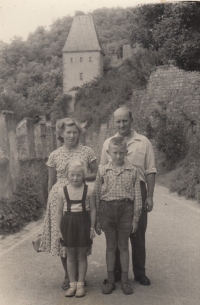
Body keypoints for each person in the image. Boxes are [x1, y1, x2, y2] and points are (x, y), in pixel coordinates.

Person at [100, 106, 156, 286]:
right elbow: (102, 172)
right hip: (115, 193)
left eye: (125, 120)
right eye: (118, 121)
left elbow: (150, 170)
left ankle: (140, 273)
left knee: (138, 233)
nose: (121, 124)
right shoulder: (108, 143)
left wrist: (150, 196)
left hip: (138, 189)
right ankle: (116, 274)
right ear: (113, 122)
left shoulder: (143, 141)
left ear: (131, 120)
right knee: (116, 235)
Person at [39, 118, 97, 290]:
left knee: (80, 237)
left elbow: (96, 172)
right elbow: (51, 182)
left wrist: (80, 178)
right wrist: (49, 205)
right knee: (64, 238)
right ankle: (68, 275)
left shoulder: (87, 152)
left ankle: (80, 277)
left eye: (75, 132)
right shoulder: (55, 155)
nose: (72, 135)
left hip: (81, 199)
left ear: (79, 133)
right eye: (68, 132)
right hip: (60, 199)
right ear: (61, 134)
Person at [95, 137, 142, 295]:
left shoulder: (133, 171)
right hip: (107, 210)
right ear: (108, 152)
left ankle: (124, 281)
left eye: (121, 153)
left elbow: (137, 196)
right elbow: (96, 195)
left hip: (126, 211)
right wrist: (97, 219)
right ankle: (110, 280)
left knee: (123, 246)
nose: (118, 156)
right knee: (110, 246)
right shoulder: (102, 170)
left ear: (126, 152)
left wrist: (135, 218)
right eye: (115, 153)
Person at [57, 160, 96, 297]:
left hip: (83, 225)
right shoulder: (62, 192)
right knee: (70, 256)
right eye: (72, 175)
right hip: (68, 225)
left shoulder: (89, 190)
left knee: (82, 256)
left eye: (79, 175)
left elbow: (92, 211)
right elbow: (59, 212)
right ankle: (72, 285)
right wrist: (58, 230)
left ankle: (80, 285)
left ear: (83, 175)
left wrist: (92, 228)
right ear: (67, 175)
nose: (75, 178)